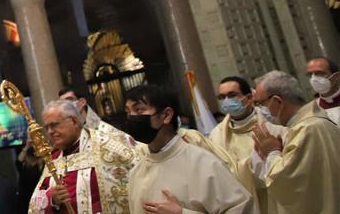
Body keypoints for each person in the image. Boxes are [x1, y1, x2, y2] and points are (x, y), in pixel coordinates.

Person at [122, 84, 254, 214]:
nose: (132, 118)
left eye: (139, 110)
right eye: (128, 112)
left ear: (166, 115)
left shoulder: (204, 163)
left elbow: (242, 209)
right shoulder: (136, 173)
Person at [249, 70, 340, 214]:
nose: (258, 110)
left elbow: (288, 183)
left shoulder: (308, 129)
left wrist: (271, 151)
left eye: (260, 103)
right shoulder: (311, 123)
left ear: (277, 101)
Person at [26, 99, 137, 214]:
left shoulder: (106, 146)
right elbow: (35, 202)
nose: (50, 132)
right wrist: (51, 198)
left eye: (54, 125)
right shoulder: (53, 158)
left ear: (74, 121)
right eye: (47, 127)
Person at [209, 76, 276, 211]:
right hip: (239, 204)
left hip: (272, 198)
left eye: (232, 95)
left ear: (250, 98)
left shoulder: (272, 125)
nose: (227, 101)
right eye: (222, 97)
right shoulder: (216, 135)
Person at [305, 55, 340, 123]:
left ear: (336, 76)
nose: (314, 79)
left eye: (320, 73)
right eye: (310, 75)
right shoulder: (310, 111)